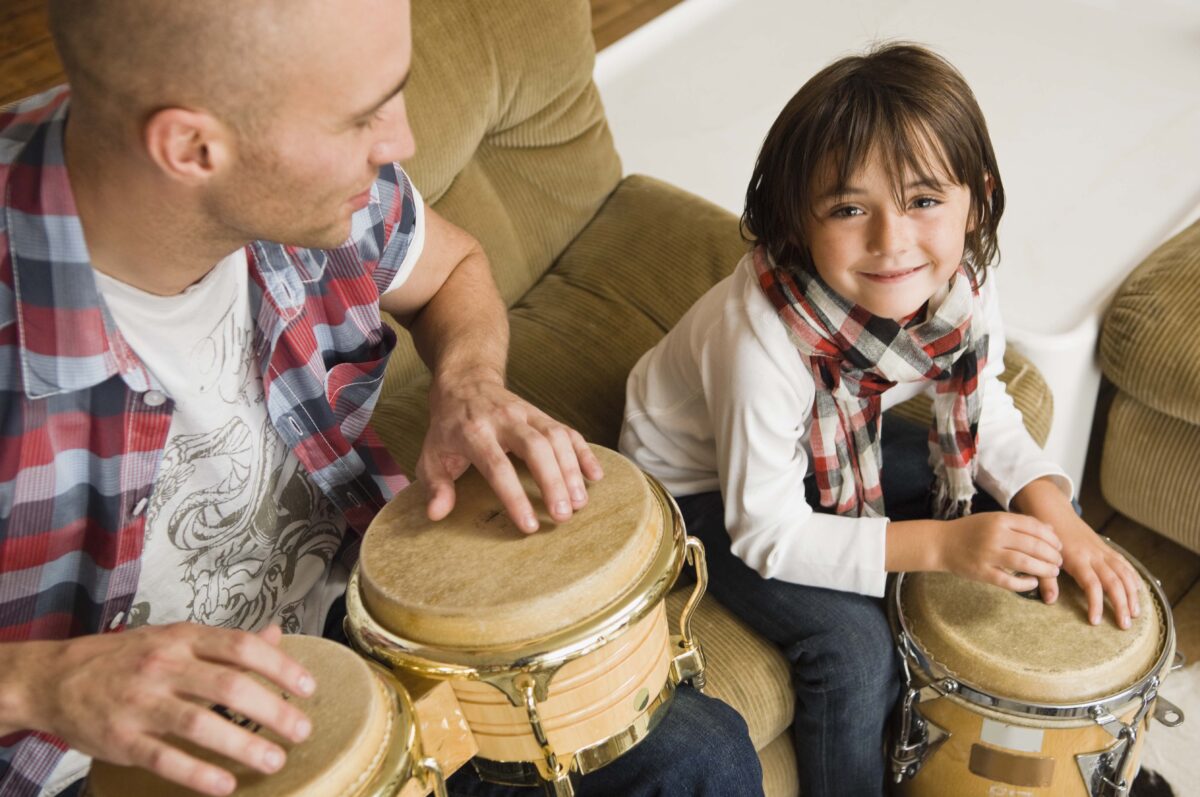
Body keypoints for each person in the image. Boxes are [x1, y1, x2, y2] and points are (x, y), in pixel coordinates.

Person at [0, 1, 760, 795]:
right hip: (92, 761)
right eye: (362, 118)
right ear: (192, 147)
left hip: (351, 633)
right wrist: (45, 684)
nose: (401, 143)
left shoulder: (318, 194)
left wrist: (469, 383)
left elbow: (454, 269)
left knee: (694, 754)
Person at [620, 43, 1144, 797]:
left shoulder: (959, 281)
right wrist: (940, 543)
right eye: (848, 208)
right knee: (852, 645)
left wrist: (1062, 518)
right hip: (697, 486)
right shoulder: (761, 342)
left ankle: (975, 754)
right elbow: (767, 530)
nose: (891, 241)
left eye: (924, 199)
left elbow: (983, 407)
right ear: (798, 223)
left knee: (1030, 523)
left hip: (830, 440)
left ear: (977, 197)